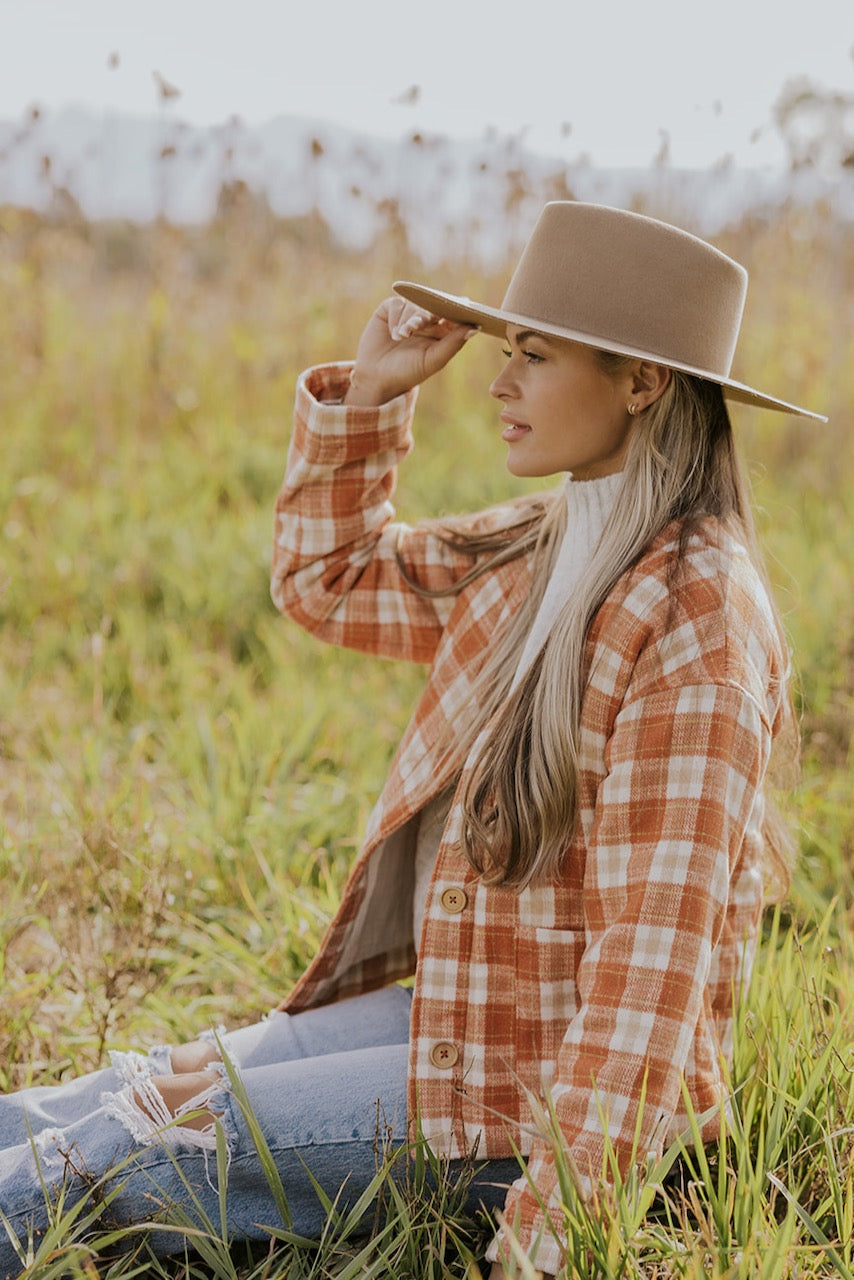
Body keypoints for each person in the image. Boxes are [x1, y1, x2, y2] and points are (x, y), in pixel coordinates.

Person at [0, 202, 824, 1278]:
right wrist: (376, 389)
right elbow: (328, 581)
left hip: (547, 1105)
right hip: (466, 1012)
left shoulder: (697, 619)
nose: (496, 381)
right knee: (135, 1083)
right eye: (504, 352)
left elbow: (644, 985)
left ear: (641, 381)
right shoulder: (550, 538)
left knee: (147, 1136)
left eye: (532, 355)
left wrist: (543, 1243)